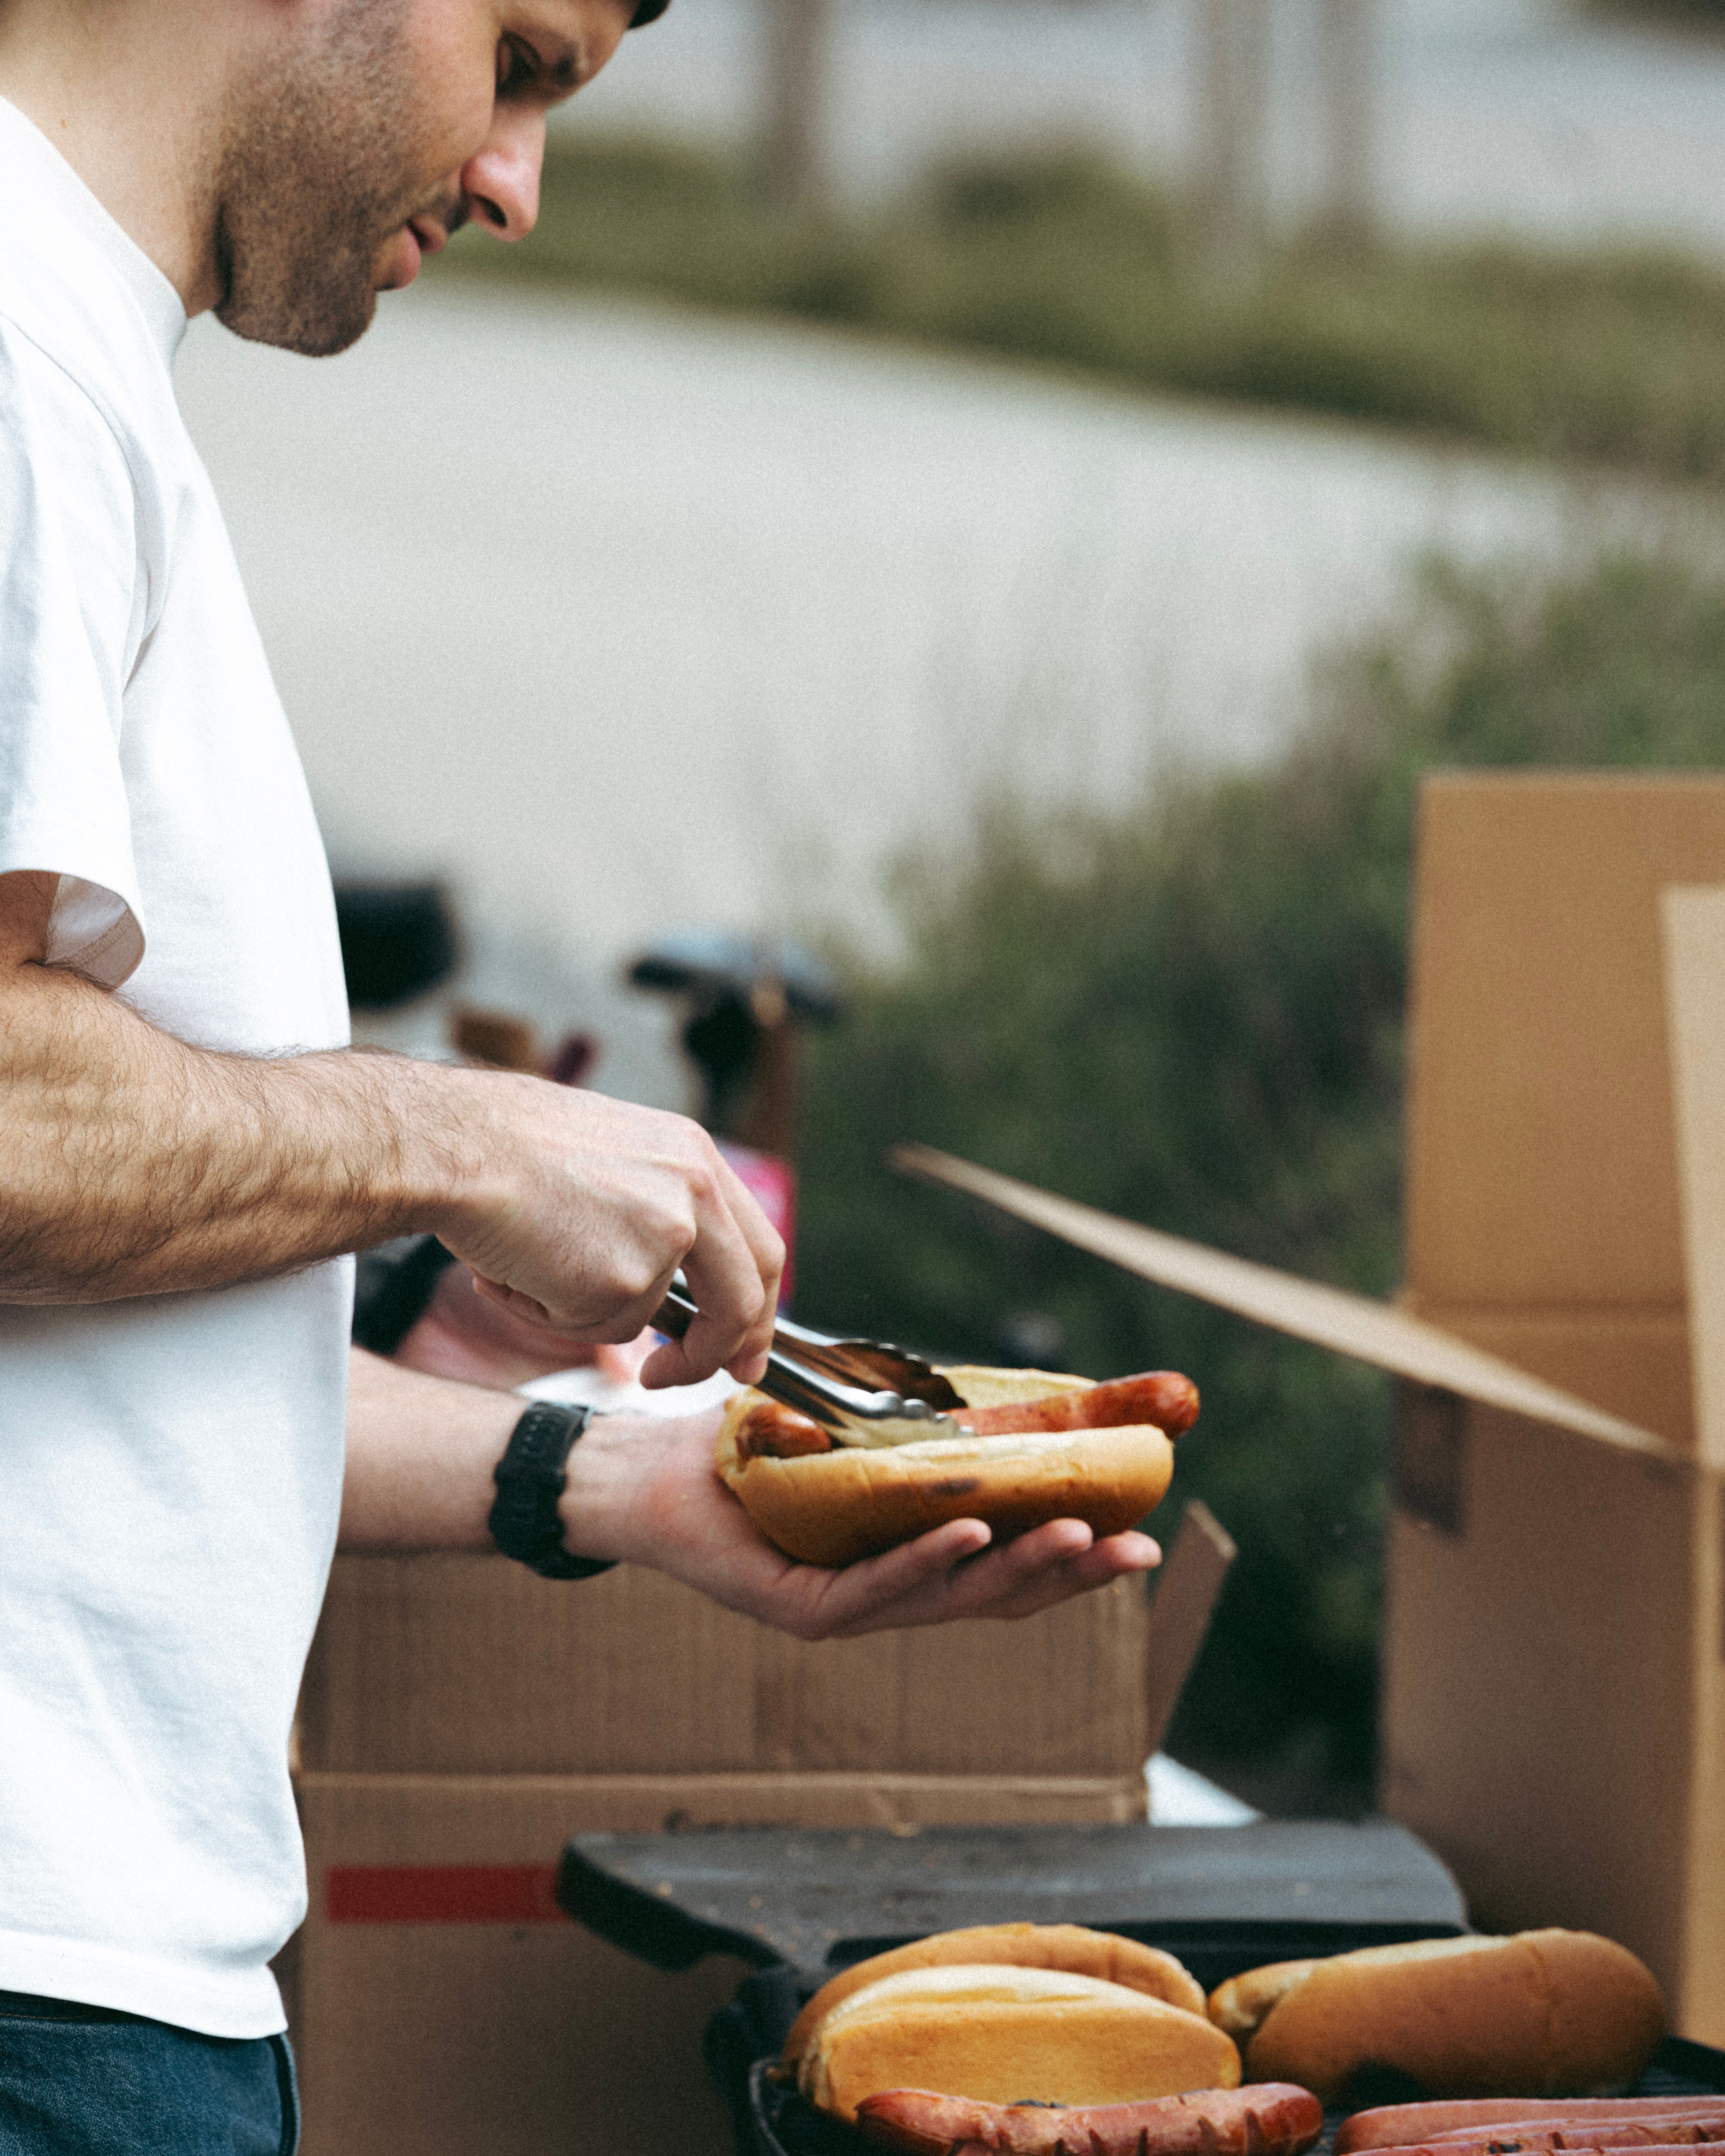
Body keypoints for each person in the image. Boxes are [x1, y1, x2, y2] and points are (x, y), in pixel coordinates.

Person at [0, 2, 1163, 2148]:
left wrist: (609, 1481)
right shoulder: (14, 361)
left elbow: (83, 1362)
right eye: (524, 58)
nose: (520, 180)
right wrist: (455, 1139)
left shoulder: (74, 371)